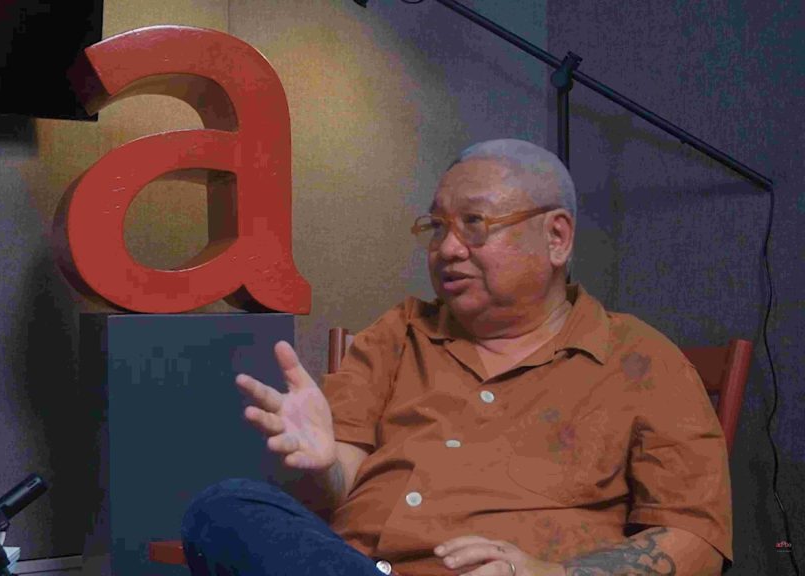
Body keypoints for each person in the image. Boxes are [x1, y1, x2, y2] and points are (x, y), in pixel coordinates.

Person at [181, 139, 732, 576]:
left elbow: (696, 538)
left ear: (557, 237)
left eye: (475, 224)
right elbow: (335, 490)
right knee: (223, 508)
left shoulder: (639, 359)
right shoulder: (398, 334)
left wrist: (551, 574)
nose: (447, 248)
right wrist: (325, 466)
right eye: (437, 227)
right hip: (358, 566)